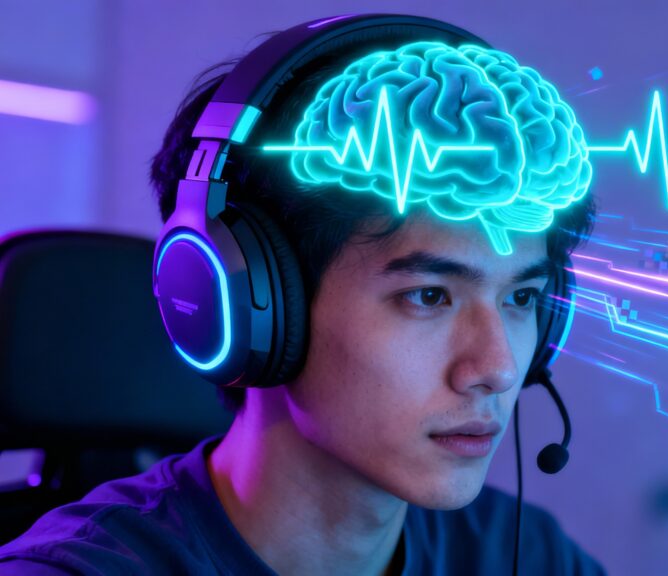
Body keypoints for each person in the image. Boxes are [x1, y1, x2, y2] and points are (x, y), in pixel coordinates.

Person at [0, 14, 604, 576]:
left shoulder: (527, 554)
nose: (498, 369)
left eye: (522, 299)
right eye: (427, 296)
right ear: (249, 306)